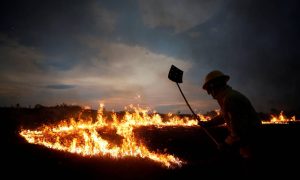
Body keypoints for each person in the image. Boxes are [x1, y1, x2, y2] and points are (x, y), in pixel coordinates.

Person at [201, 70, 261, 161]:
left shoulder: (231, 99)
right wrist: (208, 124)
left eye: (209, 90)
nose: (210, 94)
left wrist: (226, 144)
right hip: (247, 141)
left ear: (214, 87)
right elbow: (223, 117)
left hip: (251, 142)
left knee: (251, 168)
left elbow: (238, 130)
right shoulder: (228, 97)